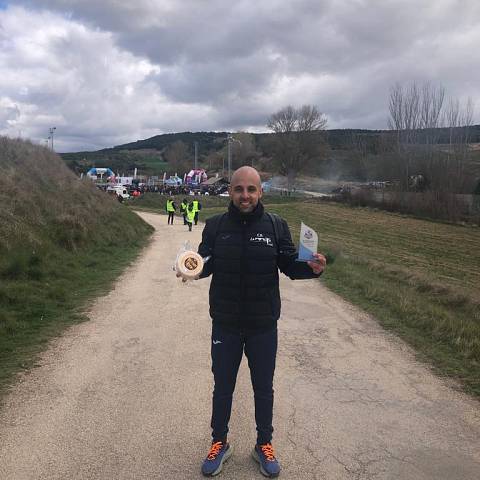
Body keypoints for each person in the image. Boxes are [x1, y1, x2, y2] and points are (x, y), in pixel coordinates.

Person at [194, 166, 326, 477]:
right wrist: (190, 269)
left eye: (251, 189)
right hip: (225, 323)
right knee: (222, 386)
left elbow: (290, 266)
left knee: (263, 388)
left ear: (260, 192)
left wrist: (313, 269)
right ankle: (219, 443)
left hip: (262, 324)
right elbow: (203, 263)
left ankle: (263, 444)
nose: (245, 195)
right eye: (239, 189)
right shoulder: (214, 226)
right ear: (230, 191)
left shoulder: (276, 226)